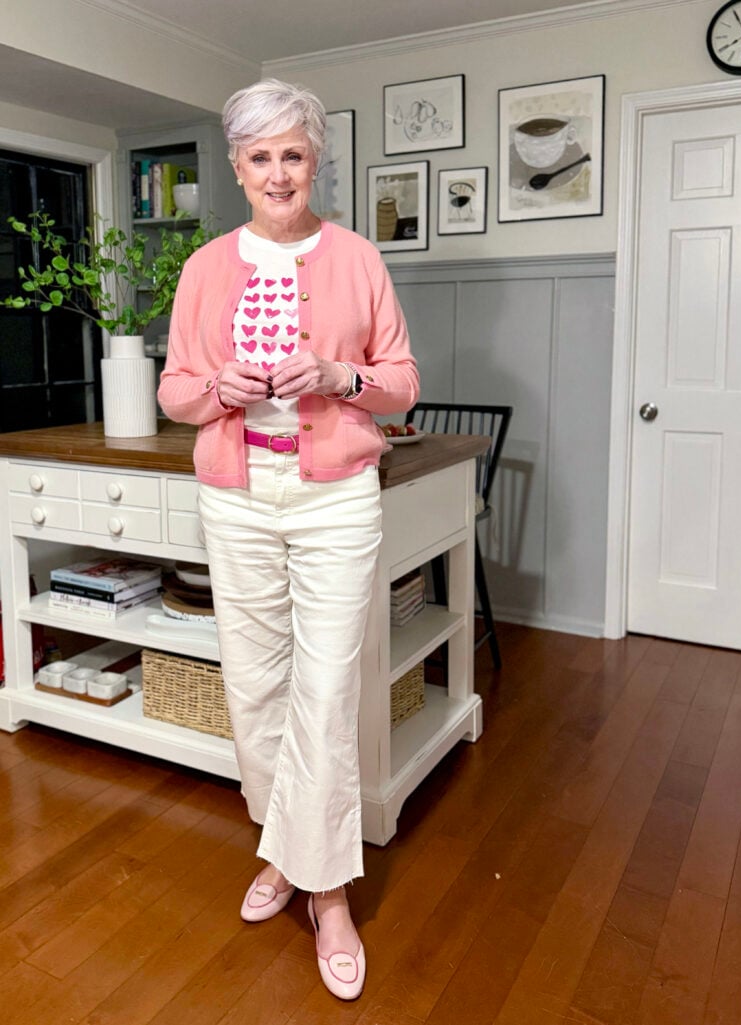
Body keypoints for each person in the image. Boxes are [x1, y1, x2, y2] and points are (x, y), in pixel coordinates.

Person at [157, 78, 419, 1001]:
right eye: (260, 156)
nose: (278, 172)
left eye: (293, 154)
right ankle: (284, 850)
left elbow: (402, 382)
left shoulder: (356, 258)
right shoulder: (204, 268)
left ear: (316, 162)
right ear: (237, 168)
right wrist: (216, 390)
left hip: (334, 496)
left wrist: (340, 376)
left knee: (325, 689)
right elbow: (175, 391)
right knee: (254, 684)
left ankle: (329, 891)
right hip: (236, 495)